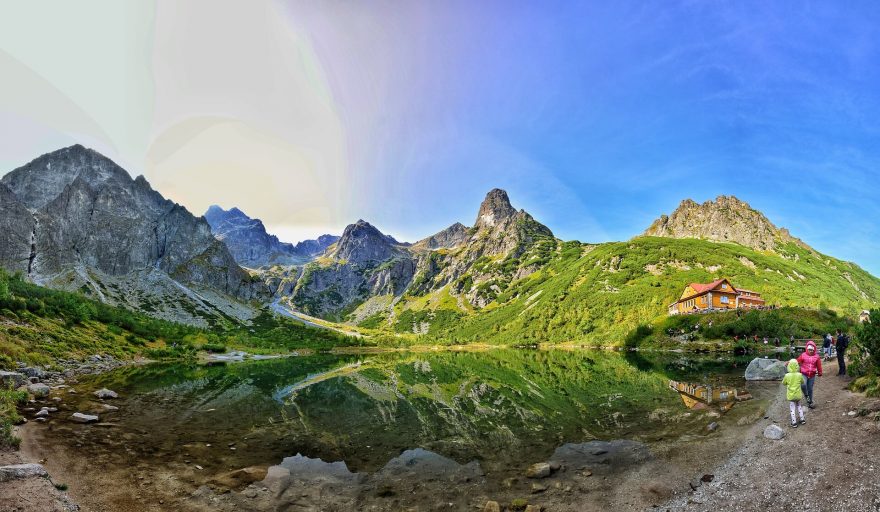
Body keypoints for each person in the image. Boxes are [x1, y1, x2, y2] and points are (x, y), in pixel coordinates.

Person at [797, 340, 823, 408]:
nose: (810, 351)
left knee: (810, 389)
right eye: (809, 350)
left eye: (812, 350)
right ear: (807, 349)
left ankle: (810, 402)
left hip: (812, 375)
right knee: (803, 385)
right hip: (804, 373)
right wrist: (789, 363)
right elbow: (797, 361)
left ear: (814, 349)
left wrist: (820, 372)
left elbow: (819, 365)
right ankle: (806, 395)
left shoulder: (817, 357)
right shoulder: (803, 355)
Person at [783, 359, 807, 428]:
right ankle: (802, 420)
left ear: (789, 366)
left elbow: (783, 383)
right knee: (799, 406)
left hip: (791, 395)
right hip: (798, 394)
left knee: (792, 409)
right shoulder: (799, 375)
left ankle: (794, 423)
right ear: (797, 366)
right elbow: (802, 382)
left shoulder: (787, 375)